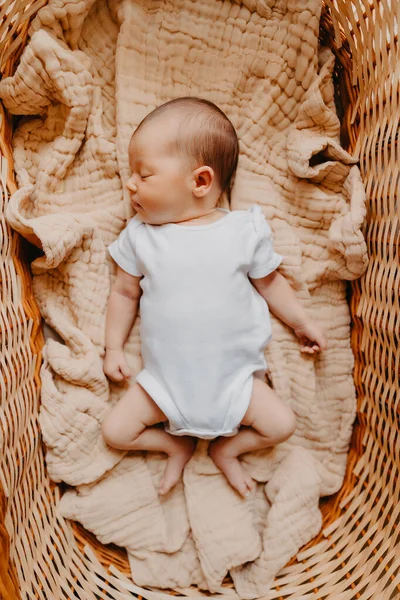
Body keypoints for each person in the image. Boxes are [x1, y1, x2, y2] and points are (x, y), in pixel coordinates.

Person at [102, 97, 327, 498]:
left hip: (235, 385)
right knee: (115, 431)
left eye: (144, 174)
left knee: (281, 425)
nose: (130, 184)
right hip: (164, 388)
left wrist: (302, 323)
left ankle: (228, 448)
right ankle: (175, 444)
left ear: (200, 181)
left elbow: (271, 284)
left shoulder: (244, 230)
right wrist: (113, 347)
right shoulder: (140, 236)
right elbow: (123, 292)